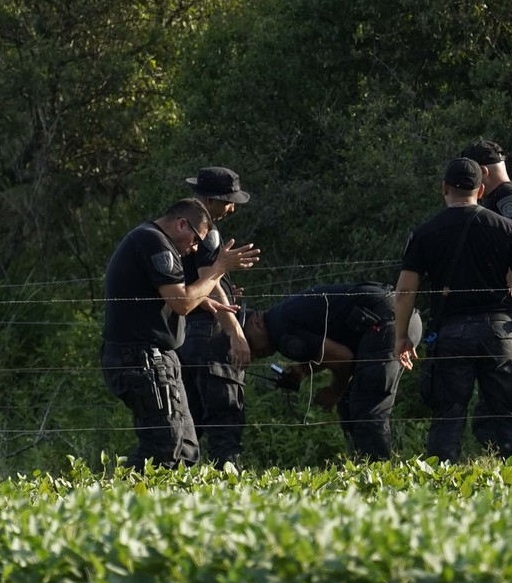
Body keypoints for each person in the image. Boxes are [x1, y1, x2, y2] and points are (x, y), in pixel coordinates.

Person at [395, 157, 512, 469]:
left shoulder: (424, 233)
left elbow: (404, 292)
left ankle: (440, 486)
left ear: (444, 188)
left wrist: (402, 336)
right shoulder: (505, 228)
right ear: (481, 191)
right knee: (510, 413)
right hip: (500, 333)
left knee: (448, 414)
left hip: (451, 334)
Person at [101, 199, 259, 467]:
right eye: (196, 240)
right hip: (139, 358)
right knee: (164, 447)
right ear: (181, 224)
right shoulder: (154, 242)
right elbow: (182, 303)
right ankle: (113, 501)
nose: (193, 249)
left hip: (159, 357)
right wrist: (218, 268)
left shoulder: (157, 241)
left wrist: (206, 300)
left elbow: (162, 295)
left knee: (185, 450)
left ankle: (170, 506)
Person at [243, 283, 419, 460]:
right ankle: (364, 467)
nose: (251, 353)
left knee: (367, 407)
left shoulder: (280, 333)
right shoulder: (280, 318)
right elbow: (332, 352)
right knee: (350, 404)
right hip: (399, 317)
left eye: (247, 342)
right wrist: (303, 370)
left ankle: (379, 477)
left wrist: (334, 391)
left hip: (390, 323)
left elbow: (343, 358)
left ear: (256, 322)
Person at [461, 138, 512, 449]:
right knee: (500, 396)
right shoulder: (510, 193)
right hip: (509, 311)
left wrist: (504, 295)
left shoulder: (507, 196)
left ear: (482, 171)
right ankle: (503, 458)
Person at [178, 167, 255, 465]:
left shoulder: (181, 230)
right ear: (210, 200)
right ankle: (227, 487)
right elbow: (208, 283)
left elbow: (206, 281)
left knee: (191, 422)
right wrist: (235, 333)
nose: (232, 208)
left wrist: (224, 286)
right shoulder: (206, 231)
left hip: (186, 337)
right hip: (209, 334)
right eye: (228, 201)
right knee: (225, 420)